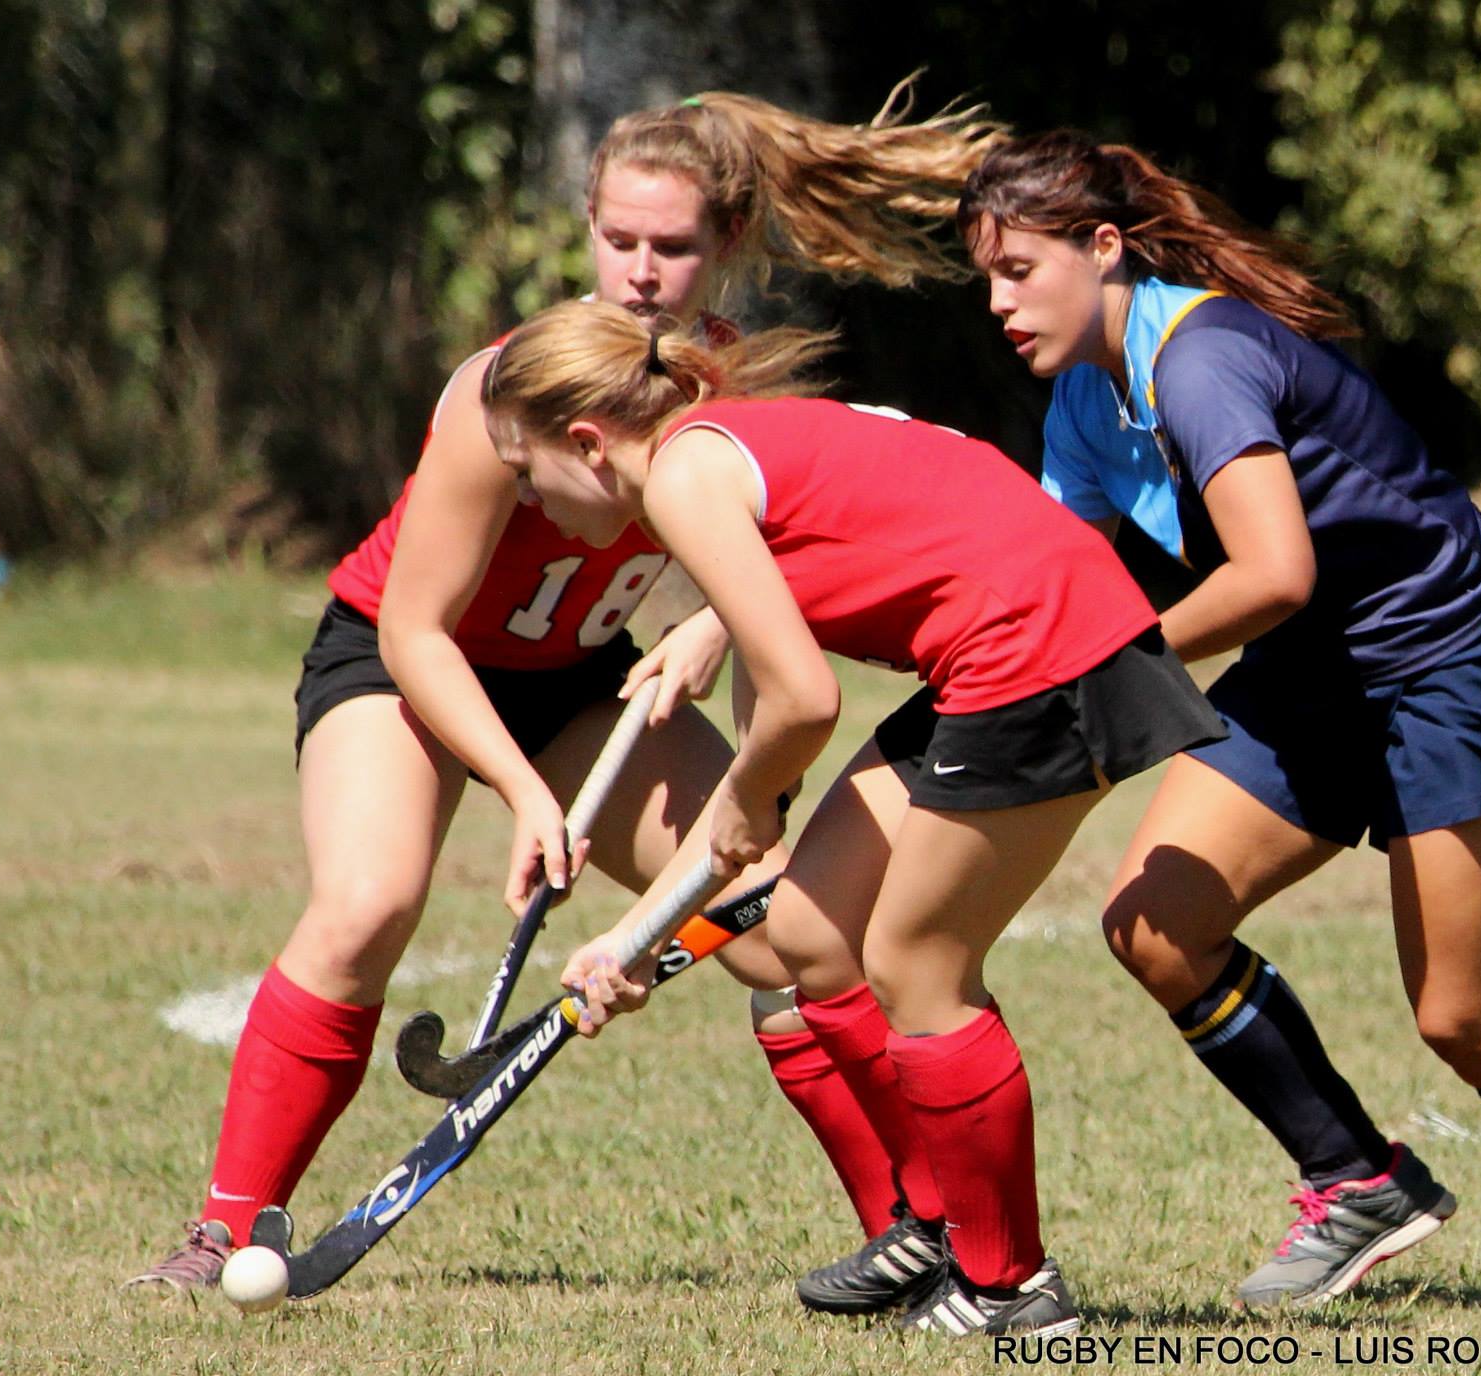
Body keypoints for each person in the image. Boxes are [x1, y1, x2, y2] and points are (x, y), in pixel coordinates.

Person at [125, 81, 1006, 1298]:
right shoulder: (509, 388)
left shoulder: (723, 386)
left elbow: (764, 596)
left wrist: (706, 633)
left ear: (728, 247)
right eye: (620, 240)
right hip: (402, 664)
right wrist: (524, 795)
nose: (642, 271)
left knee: (783, 924)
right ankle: (225, 1231)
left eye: (675, 245)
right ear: (585, 227)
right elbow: (420, 629)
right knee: (369, 902)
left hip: (582, 678)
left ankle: (920, 1235)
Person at [955, 131, 1481, 1312]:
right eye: (985, 277)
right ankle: (1358, 1179)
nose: (999, 301)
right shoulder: (1080, 403)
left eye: (1020, 268)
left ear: (1103, 248)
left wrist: (1121, 662)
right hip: (1313, 672)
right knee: (1158, 924)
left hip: (1448, 662)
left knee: (1461, 1011)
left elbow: (1272, 569)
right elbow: (1040, 581)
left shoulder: (1199, 361)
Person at [471, 299, 1221, 1336]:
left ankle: (1011, 1288)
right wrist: (638, 932)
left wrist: (713, 836)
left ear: (588, 443)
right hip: (1013, 645)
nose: (529, 501)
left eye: (526, 470)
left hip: (1042, 649)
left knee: (916, 962)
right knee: (813, 934)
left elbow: (798, 702)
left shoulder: (685, 476)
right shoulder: (707, 450)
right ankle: (933, 1218)